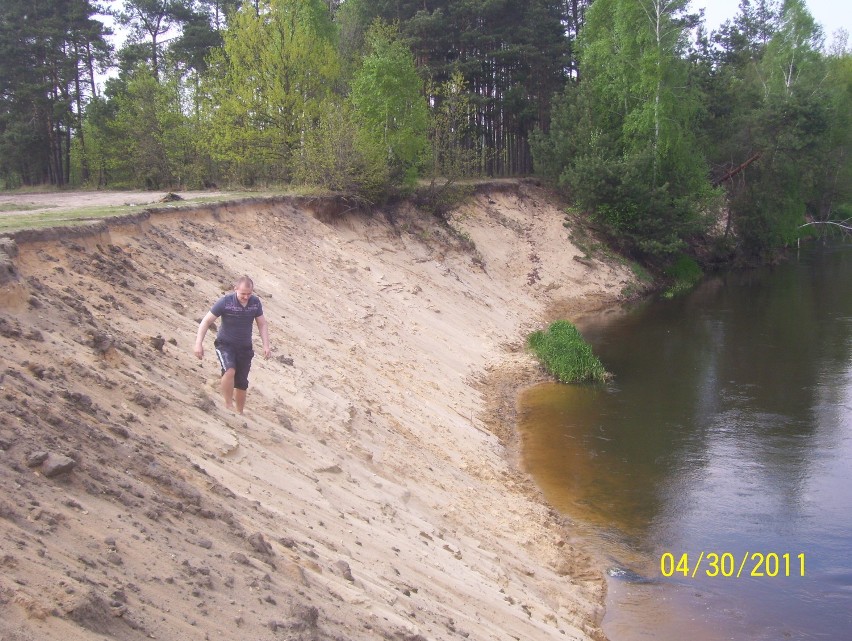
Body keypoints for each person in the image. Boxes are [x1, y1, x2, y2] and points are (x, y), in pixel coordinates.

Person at [194, 275, 271, 414]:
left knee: (242, 383)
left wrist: (266, 345)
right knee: (230, 371)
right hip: (225, 344)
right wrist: (198, 343)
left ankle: (240, 412)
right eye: (243, 294)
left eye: (249, 294)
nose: (246, 297)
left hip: (245, 347)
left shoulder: (255, 302)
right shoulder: (225, 302)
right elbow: (206, 322)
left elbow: (262, 323)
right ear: (235, 289)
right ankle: (228, 406)